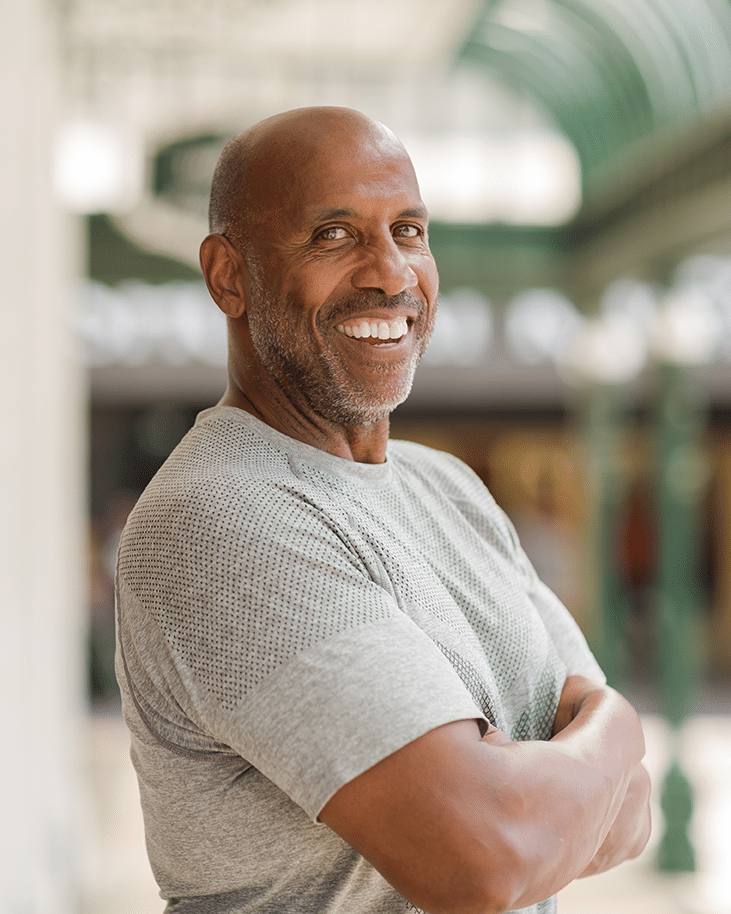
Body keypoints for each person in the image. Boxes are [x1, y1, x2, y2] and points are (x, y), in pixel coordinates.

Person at [115, 106, 651, 914]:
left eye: (407, 229)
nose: (390, 274)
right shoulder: (221, 518)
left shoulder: (448, 487)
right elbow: (486, 862)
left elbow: (630, 817)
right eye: (333, 235)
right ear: (229, 274)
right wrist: (613, 729)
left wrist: (547, 786)